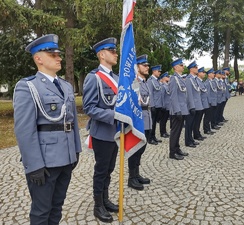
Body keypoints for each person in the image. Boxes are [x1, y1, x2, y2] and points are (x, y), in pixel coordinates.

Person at [13, 34, 82, 225]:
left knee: (57, 207)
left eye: (59, 54)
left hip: (66, 158)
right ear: (38, 58)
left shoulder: (67, 87)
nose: (59, 57)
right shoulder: (27, 87)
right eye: (53, 54)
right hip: (44, 162)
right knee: (41, 212)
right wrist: (34, 165)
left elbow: (72, 122)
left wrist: (76, 150)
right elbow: (24, 130)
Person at [82, 37, 119, 223]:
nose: (116, 54)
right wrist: (113, 116)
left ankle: (105, 199)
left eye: (115, 51)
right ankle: (98, 205)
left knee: (110, 169)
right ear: (102, 55)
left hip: (117, 134)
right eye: (112, 51)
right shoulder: (94, 77)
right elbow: (89, 107)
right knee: (101, 170)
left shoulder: (118, 79)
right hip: (102, 133)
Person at [127, 54, 151, 191]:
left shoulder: (144, 82)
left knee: (141, 148)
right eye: (144, 65)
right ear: (137, 67)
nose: (147, 67)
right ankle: (132, 178)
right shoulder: (135, 81)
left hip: (147, 117)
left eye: (148, 65)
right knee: (135, 149)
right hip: (138, 118)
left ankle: (136, 174)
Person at [169, 58, 189, 160]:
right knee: (175, 131)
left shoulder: (180, 78)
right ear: (176, 67)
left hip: (182, 109)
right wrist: (177, 110)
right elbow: (173, 96)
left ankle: (177, 149)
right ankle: (172, 152)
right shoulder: (173, 79)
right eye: (181, 65)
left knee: (179, 131)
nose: (183, 66)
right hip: (177, 110)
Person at [185, 61, 202, 148]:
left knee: (192, 124)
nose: (197, 69)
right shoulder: (188, 79)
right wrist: (192, 106)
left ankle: (191, 139)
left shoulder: (194, 79)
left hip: (195, 105)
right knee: (189, 124)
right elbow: (189, 94)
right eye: (195, 67)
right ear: (191, 69)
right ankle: (188, 141)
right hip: (191, 106)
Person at [147, 65, 163, 145]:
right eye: (158, 71)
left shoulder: (157, 81)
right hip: (154, 106)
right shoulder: (150, 81)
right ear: (154, 71)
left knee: (155, 123)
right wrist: (152, 105)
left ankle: (153, 136)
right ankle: (150, 138)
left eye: (160, 71)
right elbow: (150, 94)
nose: (160, 72)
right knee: (152, 123)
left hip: (158, 105)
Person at [194, 67, 209, 141]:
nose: (204, 74)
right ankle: (196, 134)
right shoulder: (197, 81)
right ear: (199, 73)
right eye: (203, 72)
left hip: (202, 103)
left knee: (199, 120)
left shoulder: (201, 81)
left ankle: (197, 133)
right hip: (199, 103)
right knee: (196, 121)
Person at [204, 68, 217, 135]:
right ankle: (206, 129)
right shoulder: (207, 83)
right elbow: (207, 94)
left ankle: (208, 128)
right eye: (212, 73)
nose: (214, 74)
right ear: (209, 74)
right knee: (207, 117)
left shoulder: (212, 82)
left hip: (213, 101)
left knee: (210, 116)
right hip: (209, 102)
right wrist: (209, 102)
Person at [159, 72, 171, 138]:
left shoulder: (167, 85)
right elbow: (162, 96)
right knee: (163, 120)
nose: (168, 78)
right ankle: (162, 132)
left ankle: (164, 131)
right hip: (165, 106)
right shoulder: (163, 86)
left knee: (165, 120)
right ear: (164, 78)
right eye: (167, 77)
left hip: (168, 106)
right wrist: (163, 106)